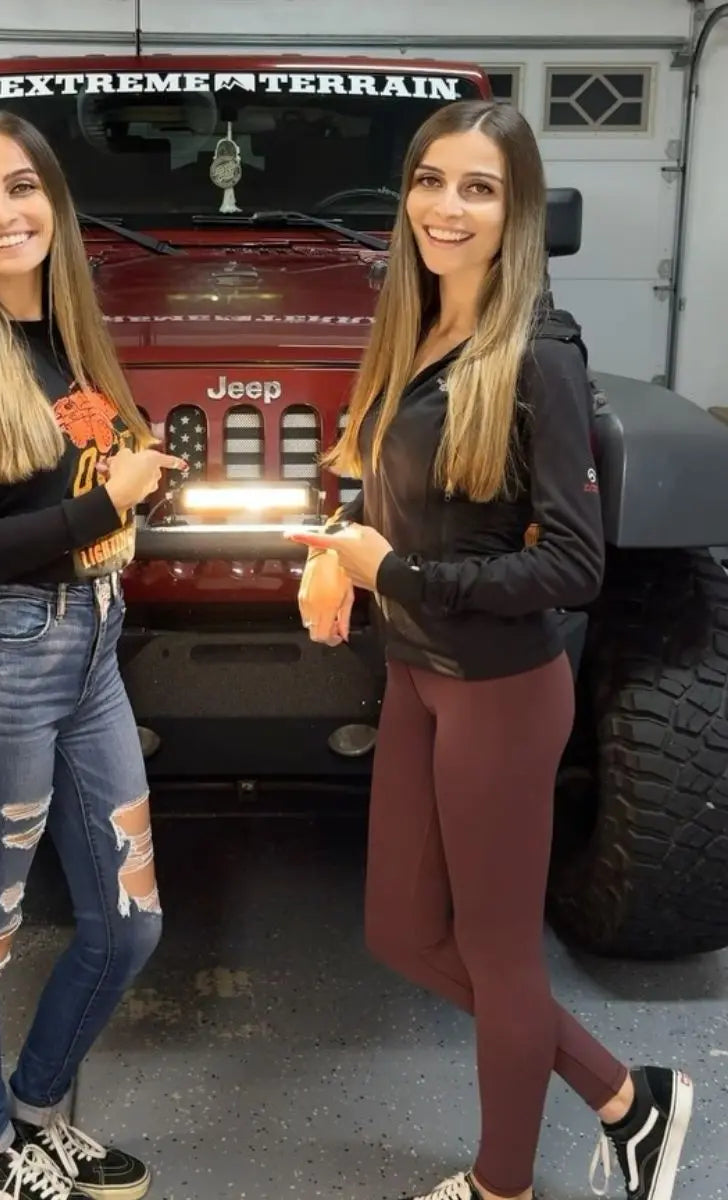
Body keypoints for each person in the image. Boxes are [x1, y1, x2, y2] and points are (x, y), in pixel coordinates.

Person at [286, 99, 693, 1200]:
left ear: (517, 214)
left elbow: (572, 567)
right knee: (399, 930)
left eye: (479, 188)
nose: (447, 207)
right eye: (430, 181)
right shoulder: (410, 329)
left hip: (503, 694)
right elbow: (383, 484)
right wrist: (338, 553)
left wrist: (391, 577)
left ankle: (500, 1186)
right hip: (421, 674)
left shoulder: (540, 355)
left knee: (501, 959)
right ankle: (629, 1100)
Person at [0, 110, 186, 1200]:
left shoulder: (66, 339)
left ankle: (38, 1108)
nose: (2, 213)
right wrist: (100, 501)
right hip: (2, 659)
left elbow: (82, 480)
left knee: (129, 921)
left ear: (55, 204)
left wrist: (140, 478)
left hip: (93, 644)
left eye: (20, 189)